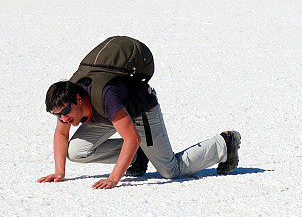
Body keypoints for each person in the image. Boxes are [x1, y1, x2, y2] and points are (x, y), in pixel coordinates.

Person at [37, 78, 240, 189]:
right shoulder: (69, 97)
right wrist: (59, 172)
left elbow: (132, 137)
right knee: (76, 152)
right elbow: (61, 135)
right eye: (57, 115)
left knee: (170, 170)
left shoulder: (105, 98)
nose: (63, 119)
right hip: (111, 115)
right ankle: (136, 156)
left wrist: (114, 178)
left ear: (79, 100)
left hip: (139, 110)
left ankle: (224, 144)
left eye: (65, 112)